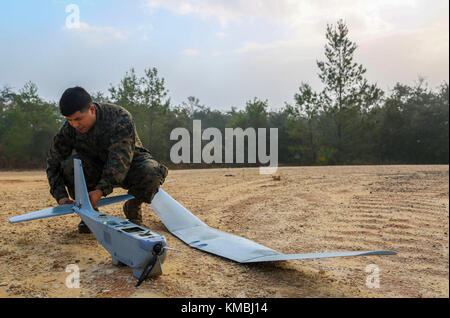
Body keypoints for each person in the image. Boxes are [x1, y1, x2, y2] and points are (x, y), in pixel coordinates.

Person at [46, 86, 168, 233]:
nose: (74, 125)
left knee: (152, 172)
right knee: (71, 165)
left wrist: (100, 190)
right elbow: (53, 163)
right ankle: (90, 212)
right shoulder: (68, 130)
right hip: (95, 166)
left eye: (78, 119)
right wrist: (61, 196)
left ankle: (134, 205)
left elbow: (120, 159)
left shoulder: (119, 117)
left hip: (129, 163)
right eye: (69, 120)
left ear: (91, 109)